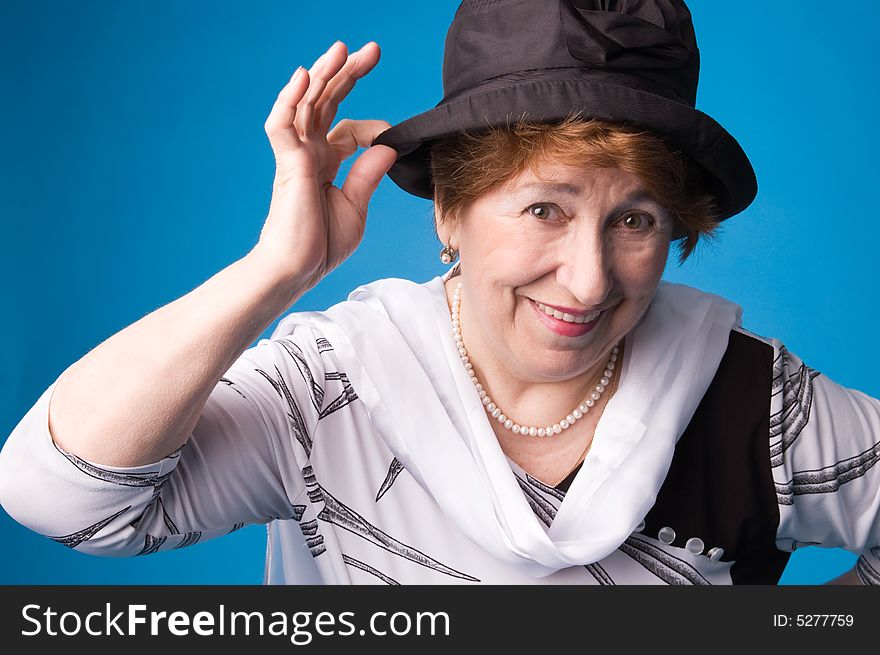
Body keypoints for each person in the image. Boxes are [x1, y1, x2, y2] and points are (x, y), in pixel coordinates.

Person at [0, 0, 878, 584]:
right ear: (450, 210)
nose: (588, 277)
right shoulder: (333, 387)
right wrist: (275, 273)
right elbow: (61, 497)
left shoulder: (759, 407)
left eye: (636, 220)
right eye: (544, 207)